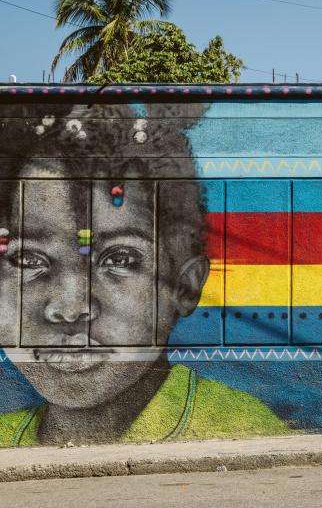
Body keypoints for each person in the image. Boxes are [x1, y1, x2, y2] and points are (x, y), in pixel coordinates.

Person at [0, 103, 290, 446]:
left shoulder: (245, 432)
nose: (69, 308)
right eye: (29, 260)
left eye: (119, 258)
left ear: (185, 286)